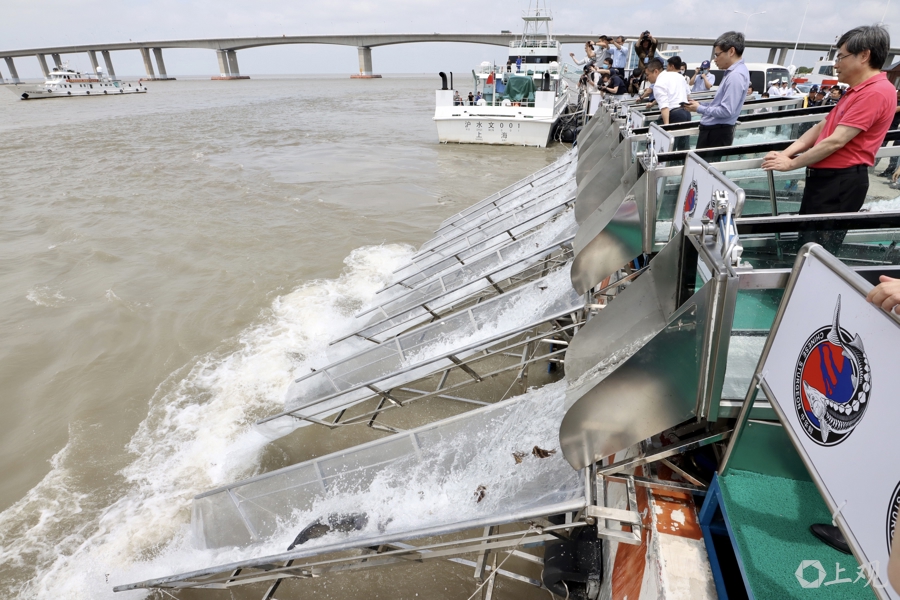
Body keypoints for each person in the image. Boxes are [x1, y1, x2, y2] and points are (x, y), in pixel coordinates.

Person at [761, 24, 895, 223]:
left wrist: (792, 163)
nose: (836, 65)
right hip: (826, 179)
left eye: (840, 57)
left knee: (817, 240)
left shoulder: (875, 92)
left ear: (864, 55)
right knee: (807, 237)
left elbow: (836, 141)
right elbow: (821, 128)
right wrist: (785, 154)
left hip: (839, 183)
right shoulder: (856, 90)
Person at [683, 31, 750, 149]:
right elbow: (720, 104)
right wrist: (700, 104)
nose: (715, 60)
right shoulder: (734, 72)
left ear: (731, 51)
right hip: (716, 131)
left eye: (717, 55)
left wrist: (699, 108)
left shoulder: (736, 75)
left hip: (716, 133)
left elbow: (726, 111)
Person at [877, 88, 900, 177]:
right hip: (883, 126)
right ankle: (872, 165)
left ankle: (890, 170)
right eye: (898, 92)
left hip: (892, 128)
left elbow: (893, 110)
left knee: (893, 150)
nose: (898, 94)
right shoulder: (893, 100)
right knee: (879, 146)